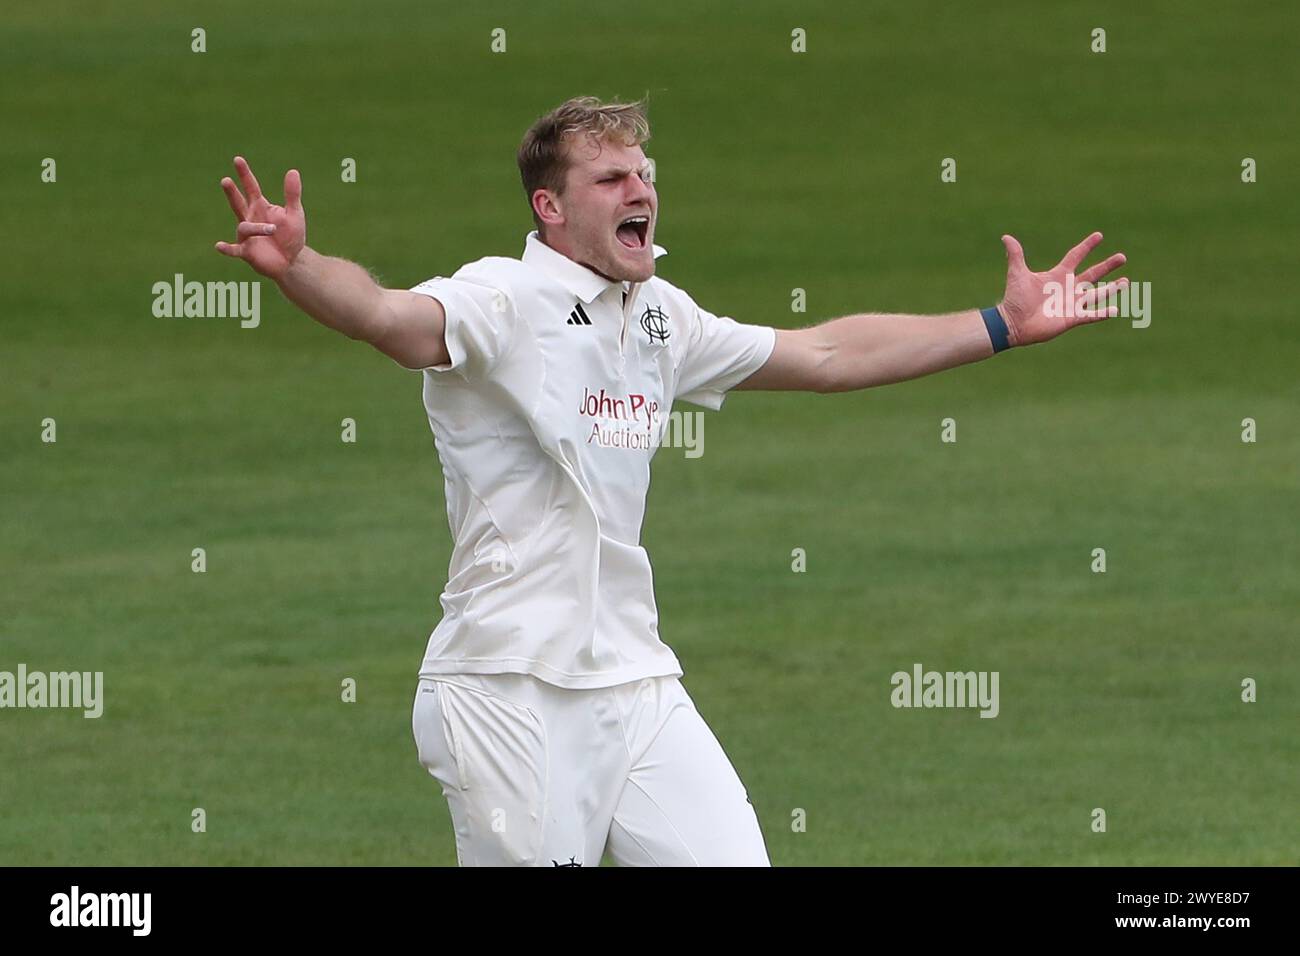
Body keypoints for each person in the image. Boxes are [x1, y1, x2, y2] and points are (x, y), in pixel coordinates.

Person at [213, 95, 1128, 866]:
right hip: (505, 685)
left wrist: (999, 323)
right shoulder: (501, 298)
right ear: (551, 209)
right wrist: (297, 266)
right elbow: (386, 317)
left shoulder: (661, 318)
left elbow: (826, 352)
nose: (639, 189)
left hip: (636, 681)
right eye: (610, 179)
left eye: (644, 173)